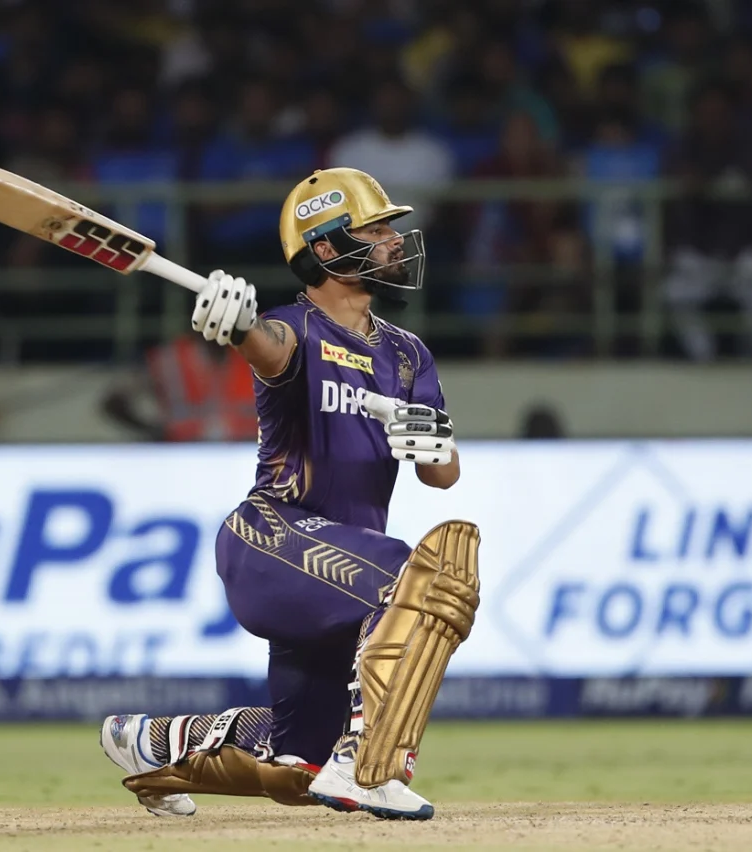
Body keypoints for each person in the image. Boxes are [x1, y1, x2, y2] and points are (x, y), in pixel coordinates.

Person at [98, 168, 480, 821]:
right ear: (328, 247)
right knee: (422, 576)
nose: (396, 240)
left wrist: (429, 440)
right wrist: (235, 320)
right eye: (377, 228)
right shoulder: (290, 329)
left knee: (296, 763)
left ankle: (148, 740)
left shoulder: (409, 355)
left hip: (338, 579)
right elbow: (263, 348)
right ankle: (369, 764)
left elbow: (442, 477)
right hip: (272, 540)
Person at [100, 333, 257, 442]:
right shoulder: (170, 358)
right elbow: (115, 400)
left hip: (241, 454)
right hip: (182, 453)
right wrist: (153, 432)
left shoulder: (256, 356)